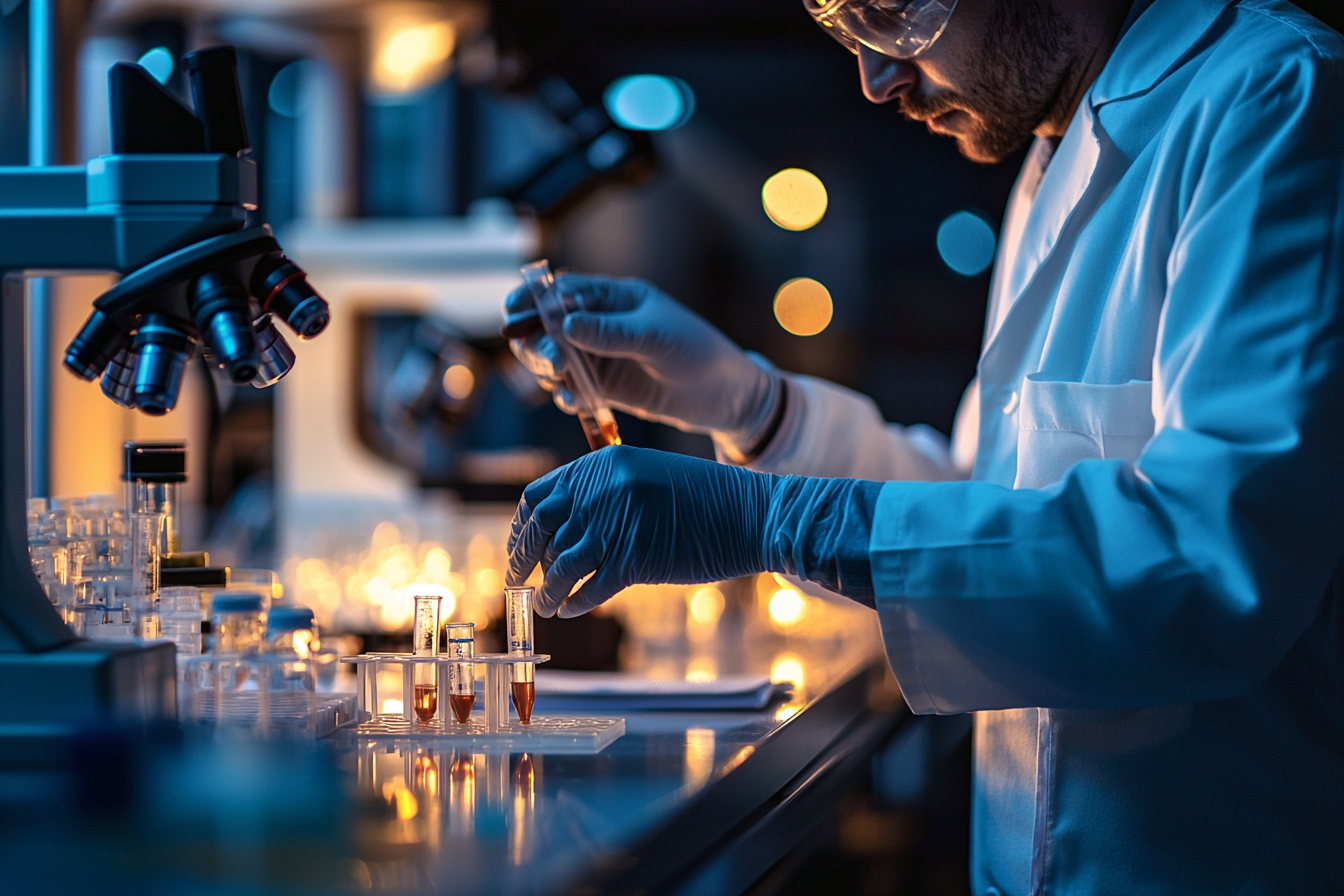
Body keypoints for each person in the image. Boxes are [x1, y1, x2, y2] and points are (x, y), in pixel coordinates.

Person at [502, 0, 1344, 892]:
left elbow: (1207, 567)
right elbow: (987, 510)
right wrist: (752, 406)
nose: (876, 79)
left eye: (895, 16)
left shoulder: (1276, 97)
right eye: (848, 34)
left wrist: (772, 519)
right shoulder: (1056, 149)